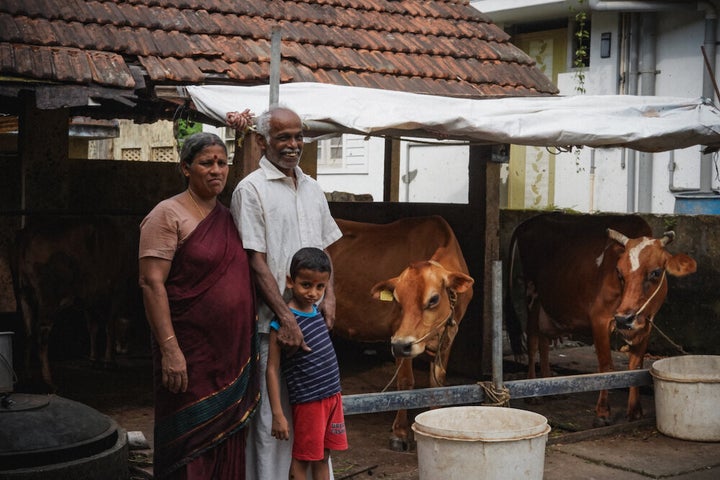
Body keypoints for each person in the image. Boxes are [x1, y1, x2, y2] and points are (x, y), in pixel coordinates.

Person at [229, 106, 342, 480]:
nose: (293, 145)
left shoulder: (312, 188)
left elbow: (326, 252)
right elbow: (255, 262)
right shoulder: (251, 190)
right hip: (272, 328)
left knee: (316, 420)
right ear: (263, 141)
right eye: (283, 138)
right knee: (272, 425)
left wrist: (330, 298)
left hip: (311, 328)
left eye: (298, 137)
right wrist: (287, 316)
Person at [138, 130, 259, 479]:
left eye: (222, 163)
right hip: (189, 354)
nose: (216, 170)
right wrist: (171, 351)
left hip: (231, 355)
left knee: (228, 437)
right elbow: (151, 282)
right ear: (185, 168)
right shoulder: (167, 214)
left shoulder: (231, 214)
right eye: (206, 163)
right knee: (190, 442)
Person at [267, 247, 348, 480]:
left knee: (323, 456)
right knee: (303, 459)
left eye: (320, 287)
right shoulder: (283, 323)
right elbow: (272, 369)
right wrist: (277, 414)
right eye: (306, 285)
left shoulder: (317, 312)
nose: (313, 293)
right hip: (309, 402)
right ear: (290, 281)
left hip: (332, 397)